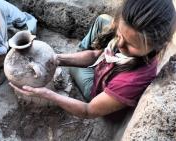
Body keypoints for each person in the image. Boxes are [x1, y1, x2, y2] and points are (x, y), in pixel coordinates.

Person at [10, 0, 176, 118]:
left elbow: (88, 111)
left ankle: (82, 52)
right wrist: (58, 58)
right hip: (104, 68)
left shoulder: (131, 81)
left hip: (98, 93)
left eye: (131, 44)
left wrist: (47, 94)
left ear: (157, 46)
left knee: (76, 65)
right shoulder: (128, 39)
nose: (120, 43)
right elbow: (97, 55)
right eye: (120, 34)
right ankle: (84, 49)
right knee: (102, 20)